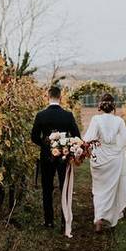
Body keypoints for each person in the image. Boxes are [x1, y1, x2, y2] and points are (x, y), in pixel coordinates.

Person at [82, 93, 126, 232]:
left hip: (99, 158)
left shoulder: (95, 119)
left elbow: (88, 139)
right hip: (114, 159)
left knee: (99, 189)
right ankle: (110, 215)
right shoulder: (119, 121)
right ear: (113, 106)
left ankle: (99, 218)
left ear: (100, 105)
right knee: (112, 188)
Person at [30, 83, 81, 229]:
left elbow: (34, 137)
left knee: (47, 188)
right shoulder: (68, 115)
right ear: (60, 97)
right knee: (64, 187)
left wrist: (46, 144)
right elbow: (77, 136)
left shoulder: (40, 115)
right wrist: (66, 146)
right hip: (64, 157)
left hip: (46, 156)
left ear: (48, 97)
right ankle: (65, 220)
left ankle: (49, 221)